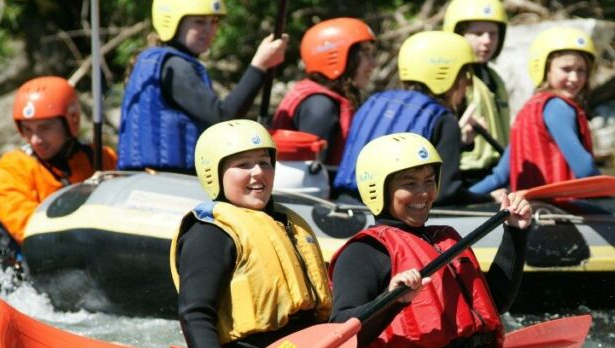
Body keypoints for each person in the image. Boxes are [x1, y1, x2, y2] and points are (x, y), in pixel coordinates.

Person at [329, 132, 548, 348]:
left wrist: (515, 234)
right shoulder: (365, 252)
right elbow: (341, 335)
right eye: (409, 183)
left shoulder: (443, 238)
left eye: (429, 180)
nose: (423, 192)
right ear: (378, 189)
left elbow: (495, 302)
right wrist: (391, 300)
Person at [170, 120, 332, 348]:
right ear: (214, 174)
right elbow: (195, 313)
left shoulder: (285, 222)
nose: (258, 172)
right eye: (243, 164)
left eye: (265, 162)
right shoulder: (210, 234)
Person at [117, 0, 288, 173]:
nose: (209, 30)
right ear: (172, 24)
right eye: (199, 21)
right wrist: (259, 66)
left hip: (157, 175)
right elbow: (223, 117)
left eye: (214, 22)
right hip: (165, 178)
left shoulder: (162, 60)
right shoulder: (174, 66)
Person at [332, 31, 480, 205]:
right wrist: (489, 198)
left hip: (343, 208)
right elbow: (446, 194)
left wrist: (460, 144)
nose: (468, 84)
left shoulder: (372, 101)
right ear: (448, 76)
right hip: (389, 222)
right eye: (465, 75)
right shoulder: (444, 120)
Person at [0, 76, 117, 265]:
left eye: (45, 128)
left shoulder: (101, 158)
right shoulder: (11, 168)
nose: (35, 139)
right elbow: (29, 230)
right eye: (27, 129)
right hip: (38, 263)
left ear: (72, 121)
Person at [469, 26, 599, 196]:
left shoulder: (530, 108)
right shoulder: (559, 108)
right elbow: (585, 170)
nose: (574, 78)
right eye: (566, 69)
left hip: (529, 210)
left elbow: (499, 176)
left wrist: (459, 199)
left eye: (581, 70)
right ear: (545, 69)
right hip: (562, 208)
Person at [272, 17, 377, 173]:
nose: (373, 64)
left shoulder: (326, 98)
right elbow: (312, 176)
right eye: (366, 53)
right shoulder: (320, 107)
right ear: (339, 56)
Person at [443, 0, 512, 184]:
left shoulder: (493, 77)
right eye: (478, 33)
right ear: (458, 34)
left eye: (493, 34)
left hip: (496, 170)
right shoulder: (451, 79)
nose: (487, 41)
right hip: (466, 174)